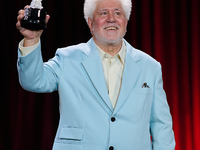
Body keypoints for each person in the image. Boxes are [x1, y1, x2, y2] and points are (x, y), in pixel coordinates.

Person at [16, 0, 175, 149]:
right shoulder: (67, 58)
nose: (111, 19)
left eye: (118, 13)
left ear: (126, 22)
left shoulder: (150, 66)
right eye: (103, 13)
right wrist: (31, 40)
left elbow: (161, 123)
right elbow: (33, 81)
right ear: (91, 23)